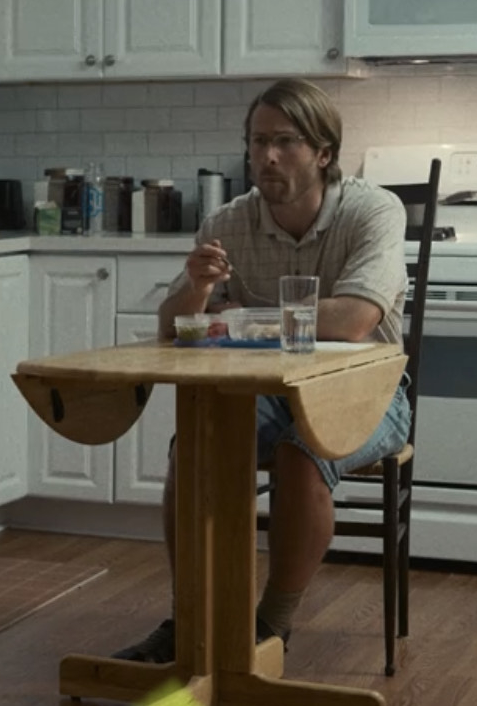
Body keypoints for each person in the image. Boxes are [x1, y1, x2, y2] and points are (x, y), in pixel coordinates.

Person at [112, 78, 413, 663]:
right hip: (267, 391)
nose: (266, 157)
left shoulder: (373, 210)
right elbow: (172, 327)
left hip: (369, 391)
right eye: (257, 142)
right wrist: (199, 290)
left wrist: (241, 316)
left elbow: (354, 320)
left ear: (323, 153)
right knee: (194, 445)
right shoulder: (228, 221)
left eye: (284, 142)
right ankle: (188, 618)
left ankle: (269, 627)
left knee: (304, 454)